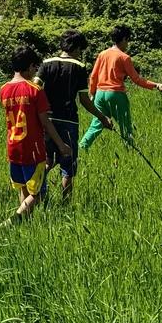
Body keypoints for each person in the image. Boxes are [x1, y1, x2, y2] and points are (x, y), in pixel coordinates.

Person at [35, 30, 113, 198]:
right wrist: (102, 118)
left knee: (48, 160)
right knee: (68, 163)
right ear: (76, 47)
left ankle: (36, 194)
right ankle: (65, 203)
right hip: (68, 120)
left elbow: (34, 87)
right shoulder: (79, 67)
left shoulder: (47, 63)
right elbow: (84, 99)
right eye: (80, 49)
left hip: (47, 119)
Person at [0, 46, 72, 222]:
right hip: (32, 148)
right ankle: (13, 220)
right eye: (34, 68)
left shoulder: (4, 89)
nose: (34, 72)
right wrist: (61, 145)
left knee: (23, 188)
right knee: (39, 193)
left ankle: (26, 223)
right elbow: (45, 122)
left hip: (13, 147)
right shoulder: (35, 90)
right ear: (29, 66)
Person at [79, 25, 162, 151]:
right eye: (128, 40)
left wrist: (92, 93)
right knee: (125, 126)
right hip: (116, 94)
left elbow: (93, 76)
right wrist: (156, 85)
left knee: (96, 124)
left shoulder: (102, 54)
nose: (128, 44)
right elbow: (137, 79)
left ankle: (82, 147)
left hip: (99, 94)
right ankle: (130, 150)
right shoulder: (124, 57)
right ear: (124, 39)